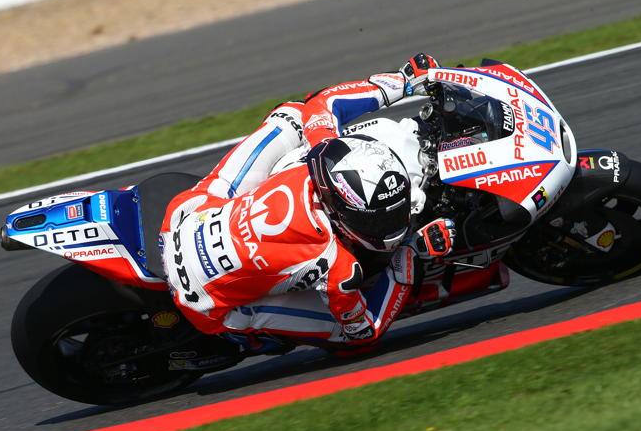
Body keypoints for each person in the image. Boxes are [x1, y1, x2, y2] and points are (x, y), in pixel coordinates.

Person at [159, 54, 455, 352]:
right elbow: (365, 331)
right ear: (343, 212)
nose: (390, 226)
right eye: (377, 220)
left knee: (292, 115)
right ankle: (246, 333)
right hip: (200, 302)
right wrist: (411, 254)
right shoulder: (339, 268)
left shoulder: (320, 151)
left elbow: (322, 102)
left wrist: (401, 82)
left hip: (181, 217)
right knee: (343, 334)